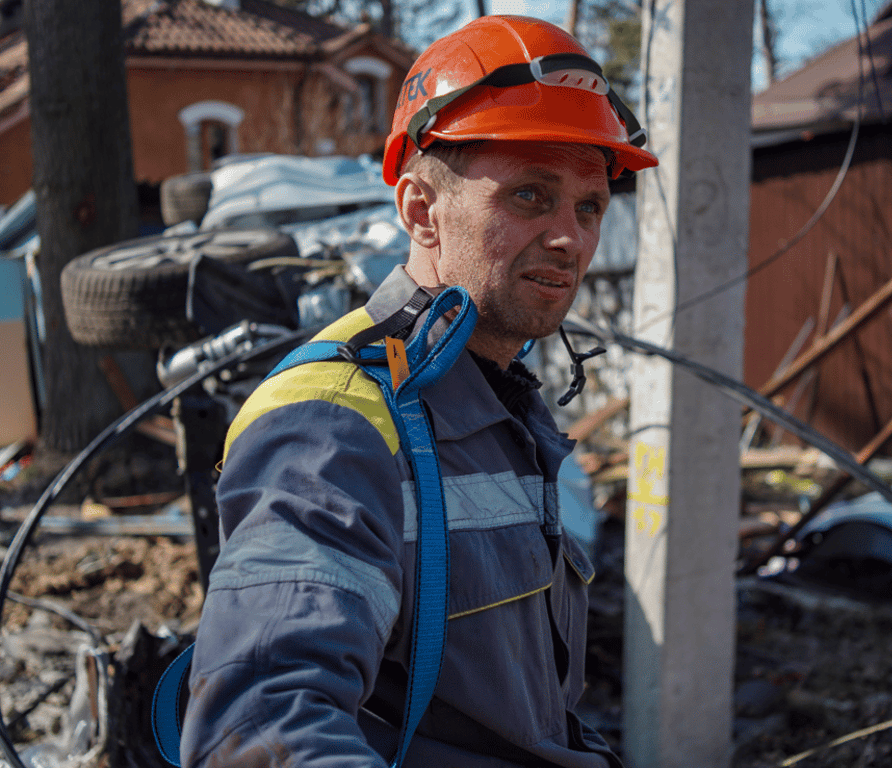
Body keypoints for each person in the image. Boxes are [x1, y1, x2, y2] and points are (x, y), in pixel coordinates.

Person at [181, 15, 657, 767]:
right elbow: (261, 723)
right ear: (419, 212)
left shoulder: (497, 400)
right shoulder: (336, 423)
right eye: (530, 195)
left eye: (589, 205)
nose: (571, 237)